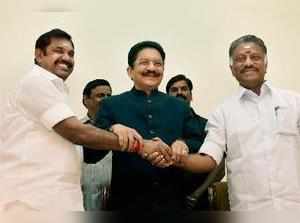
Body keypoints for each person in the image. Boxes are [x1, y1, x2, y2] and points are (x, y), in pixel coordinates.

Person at [0, 29, 171, 211]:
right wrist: (140, 145)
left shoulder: (52, 89)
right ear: (39, 55)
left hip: (52, 198)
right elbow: (77, 133)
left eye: (71, 53)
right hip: (32, 199)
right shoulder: (36, 82)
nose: (66, 57)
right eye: (58, 51)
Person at [173, 34, 300, 211]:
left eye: (255, 57)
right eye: (241, 59)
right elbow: (209, 159)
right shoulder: (222, 112)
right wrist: (177, 158)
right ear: (232, 68)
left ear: (265, 64)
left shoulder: (294, 102)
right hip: (248, 211)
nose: (248, 63)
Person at [93, 41, 206, 211]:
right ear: (130, 71)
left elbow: (199, 141)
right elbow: (91, 154)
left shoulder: (179, 106)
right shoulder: (111, 104)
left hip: (173, 202)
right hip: (127, 203)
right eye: (144, 63)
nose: (152, 68)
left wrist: (183, 143)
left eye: (157, 63)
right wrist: (113, 129)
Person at [165, 74, 213, 210]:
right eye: (174, 90)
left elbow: (219, 164)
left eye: (184, 89)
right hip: (163, 199)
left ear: (191, 95)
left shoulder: (206, 125)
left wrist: (198, 194)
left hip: (197, 199)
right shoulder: (158, 124)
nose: (179, 92)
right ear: (167, 97)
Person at [81, 79, 113, 210]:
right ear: (85, 100)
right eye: (100, 95)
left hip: (111, 200)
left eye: (109, 96)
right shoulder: (75, 130)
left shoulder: (119, 132)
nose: (106, 100)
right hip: (80, 198)